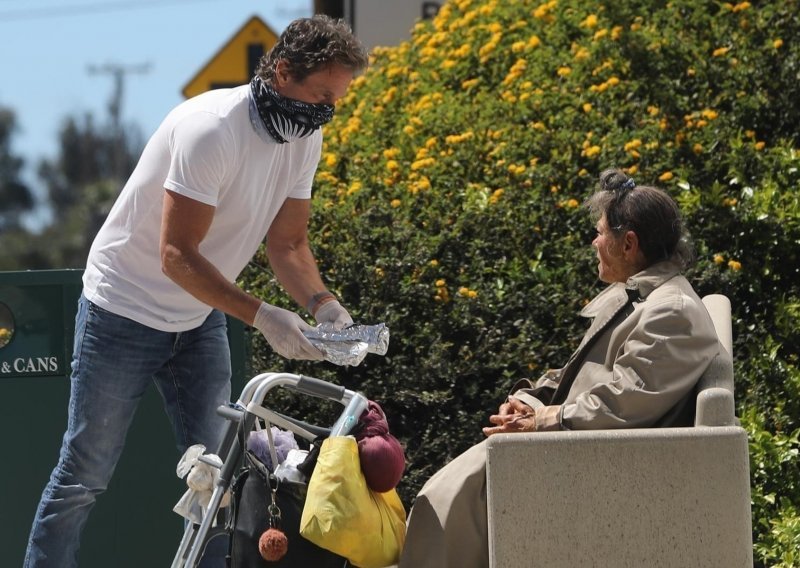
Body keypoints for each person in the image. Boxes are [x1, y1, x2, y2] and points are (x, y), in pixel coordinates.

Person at [24, 15, 369, 568]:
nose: (328, 110)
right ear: (282, 72)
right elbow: (176, 256)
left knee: (220, 475)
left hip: (198, 318)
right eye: (323, 95)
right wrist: (264, 317)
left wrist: (323, 307)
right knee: (86, 473)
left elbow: (289, 244)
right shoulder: (211, 127)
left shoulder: (305, 136)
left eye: (338, 99)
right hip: (123, 309)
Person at [396, 168, 721, 568]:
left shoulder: (670, 311)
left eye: (601, 232)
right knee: (446, 492)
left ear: (629, 243)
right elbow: (588, 372)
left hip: (594, 467)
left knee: (445, 497)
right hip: (578, 447)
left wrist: (544, 420)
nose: (594, 241)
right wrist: (530, 400)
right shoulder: (646, 294)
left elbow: (624, 403)